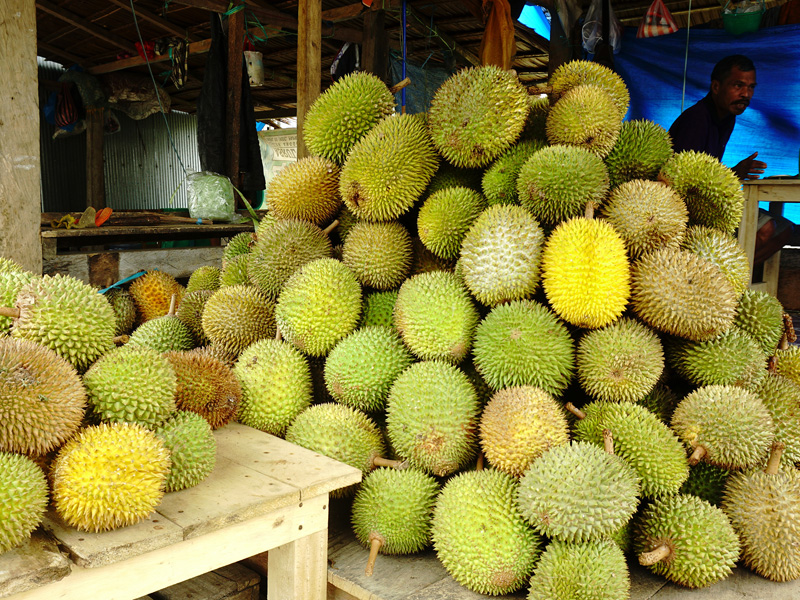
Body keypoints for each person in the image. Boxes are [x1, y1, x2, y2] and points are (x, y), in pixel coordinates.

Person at [668, 54, 793, 264]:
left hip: (710, 203)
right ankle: (723, 279)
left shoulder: (727, 117)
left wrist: (734, 172)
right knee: (767, 229)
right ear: (716, 87)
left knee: (785, 230)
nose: (746, 94)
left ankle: (731, 278)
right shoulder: (696, 119)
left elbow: (707, 172)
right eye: (738, 85)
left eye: (751, 87)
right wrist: (735, 173)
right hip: (685, 210)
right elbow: (684, 183)